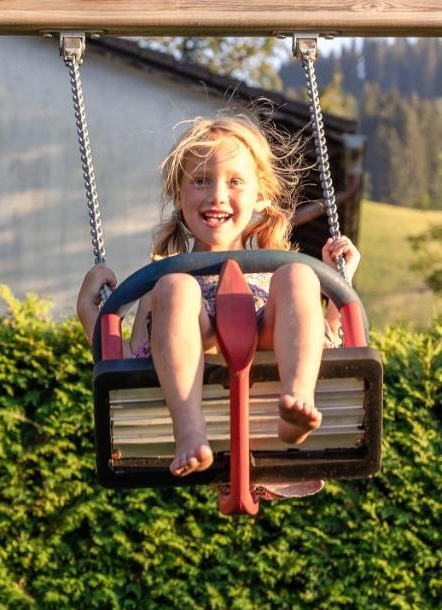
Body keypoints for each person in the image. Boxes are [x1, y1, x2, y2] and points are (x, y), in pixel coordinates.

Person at [76, 112, 360, 477]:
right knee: (176, 284)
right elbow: (128, 369)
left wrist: (340, 284)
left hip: (268, 339)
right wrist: (91, 315)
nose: (217, 196)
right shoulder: (161, 285)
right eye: (201, 181)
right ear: (178, 196)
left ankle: (296, 401)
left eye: (235, 181)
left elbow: (328, 342)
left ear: (261, 197)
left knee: (300, 274)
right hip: (197, 338)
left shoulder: (274, 273)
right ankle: (190, 428)